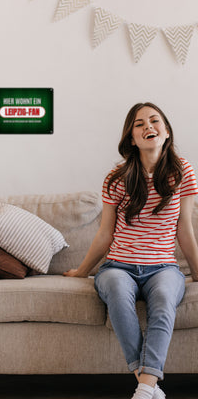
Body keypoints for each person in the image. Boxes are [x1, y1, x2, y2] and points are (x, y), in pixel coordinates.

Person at [64, 102, 198, 399]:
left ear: (166, 132)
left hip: (163, 268)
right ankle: (148, 385)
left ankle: (144, 388)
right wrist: (82, 271)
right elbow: (105, 234)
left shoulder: (183, 172)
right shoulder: (117, 177)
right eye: (139, 124)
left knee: (164, 298)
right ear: (132, 138)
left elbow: (184, 229)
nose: (148, 126)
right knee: (115, 291)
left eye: (154, 121)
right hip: (118, 266)